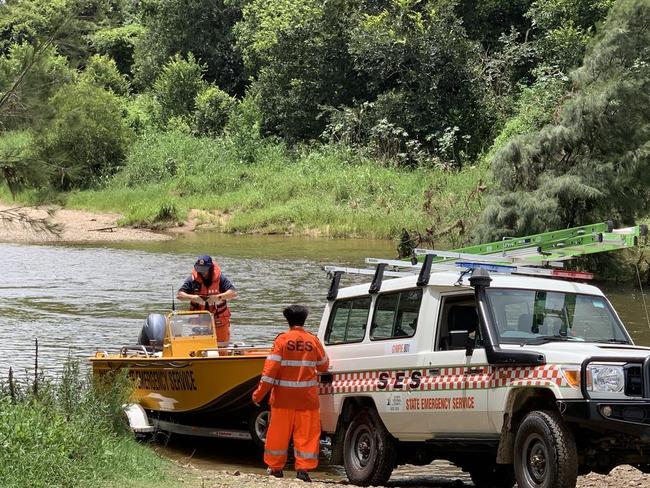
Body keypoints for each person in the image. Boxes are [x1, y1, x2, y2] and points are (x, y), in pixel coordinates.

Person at [252, 304, 329, 483]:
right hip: (307, 400)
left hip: (282, 400)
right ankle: (303, 470)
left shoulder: (282, 340)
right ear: (304, 320)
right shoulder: (313, 340)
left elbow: (269, 373)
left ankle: (276, 468)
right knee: (307, 435)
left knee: (278, 434)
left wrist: (258, 395)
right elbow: (324, 365)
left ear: (288, 321)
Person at [176, 255, 237, 344]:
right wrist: (194, 298)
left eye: (204, 269)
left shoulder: (220, 278)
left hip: (219, 319)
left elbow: (233, 293)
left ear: (210, 268)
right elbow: (179, 295)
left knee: (222, 345)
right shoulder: (193, 279)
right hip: (199, 320)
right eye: (199, 269)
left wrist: (218, 297)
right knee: (198, 345)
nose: (202, 272)